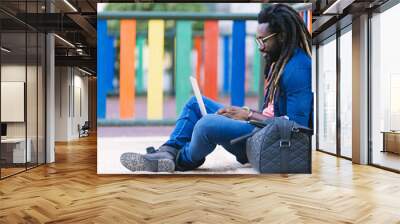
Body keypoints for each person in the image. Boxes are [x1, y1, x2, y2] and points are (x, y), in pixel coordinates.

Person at [120, 4, 313, 172]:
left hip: (270, 143)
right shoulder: (281, 61)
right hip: (261, 131)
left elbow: (296, 127)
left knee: (207, 124)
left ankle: (178, 160)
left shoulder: (298, 68)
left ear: (282, 36)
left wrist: (248, 115)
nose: (260, 47)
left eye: (263, 40)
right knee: (196, 103)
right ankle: (167, 152)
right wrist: (247, 113)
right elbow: (271, 114)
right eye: (258, 40)